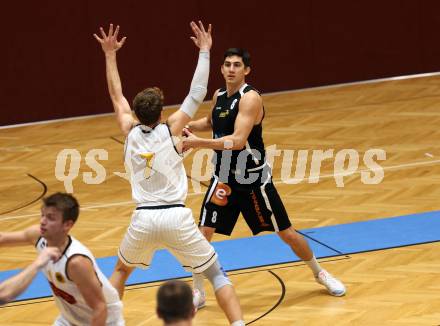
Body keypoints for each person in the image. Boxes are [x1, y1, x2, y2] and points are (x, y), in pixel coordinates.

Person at [93, 22, 245, 326]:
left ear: (136, 113)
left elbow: (115, 93)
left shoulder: (129, 131)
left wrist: (110, 55)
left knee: (121, 272)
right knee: (215, 273)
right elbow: (198, 91)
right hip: (176, 217)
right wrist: (205, 51)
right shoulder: (172, 130)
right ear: (161, 112)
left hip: (144, 219)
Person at [182, 48, 346, 301]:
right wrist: (189, 125)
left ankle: (319, 272)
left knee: (287, 233)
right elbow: (213, 121)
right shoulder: (219, 95)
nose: (231, 69)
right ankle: (198, 290)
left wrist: (197, 143)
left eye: (237, 65)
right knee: (203, 233)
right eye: (227, 64)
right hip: (224, 176)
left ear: (246, 70)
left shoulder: (251, 98)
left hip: (252, 180)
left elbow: (237, 141)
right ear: (222, 68)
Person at [0, 193, 124, 325]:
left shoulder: (76, 262)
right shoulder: (38, 235)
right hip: (69, 319)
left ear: (67, 225)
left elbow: (100, 308)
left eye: (50, 218)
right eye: (42, 215)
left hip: (103, 321)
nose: (42, 221)